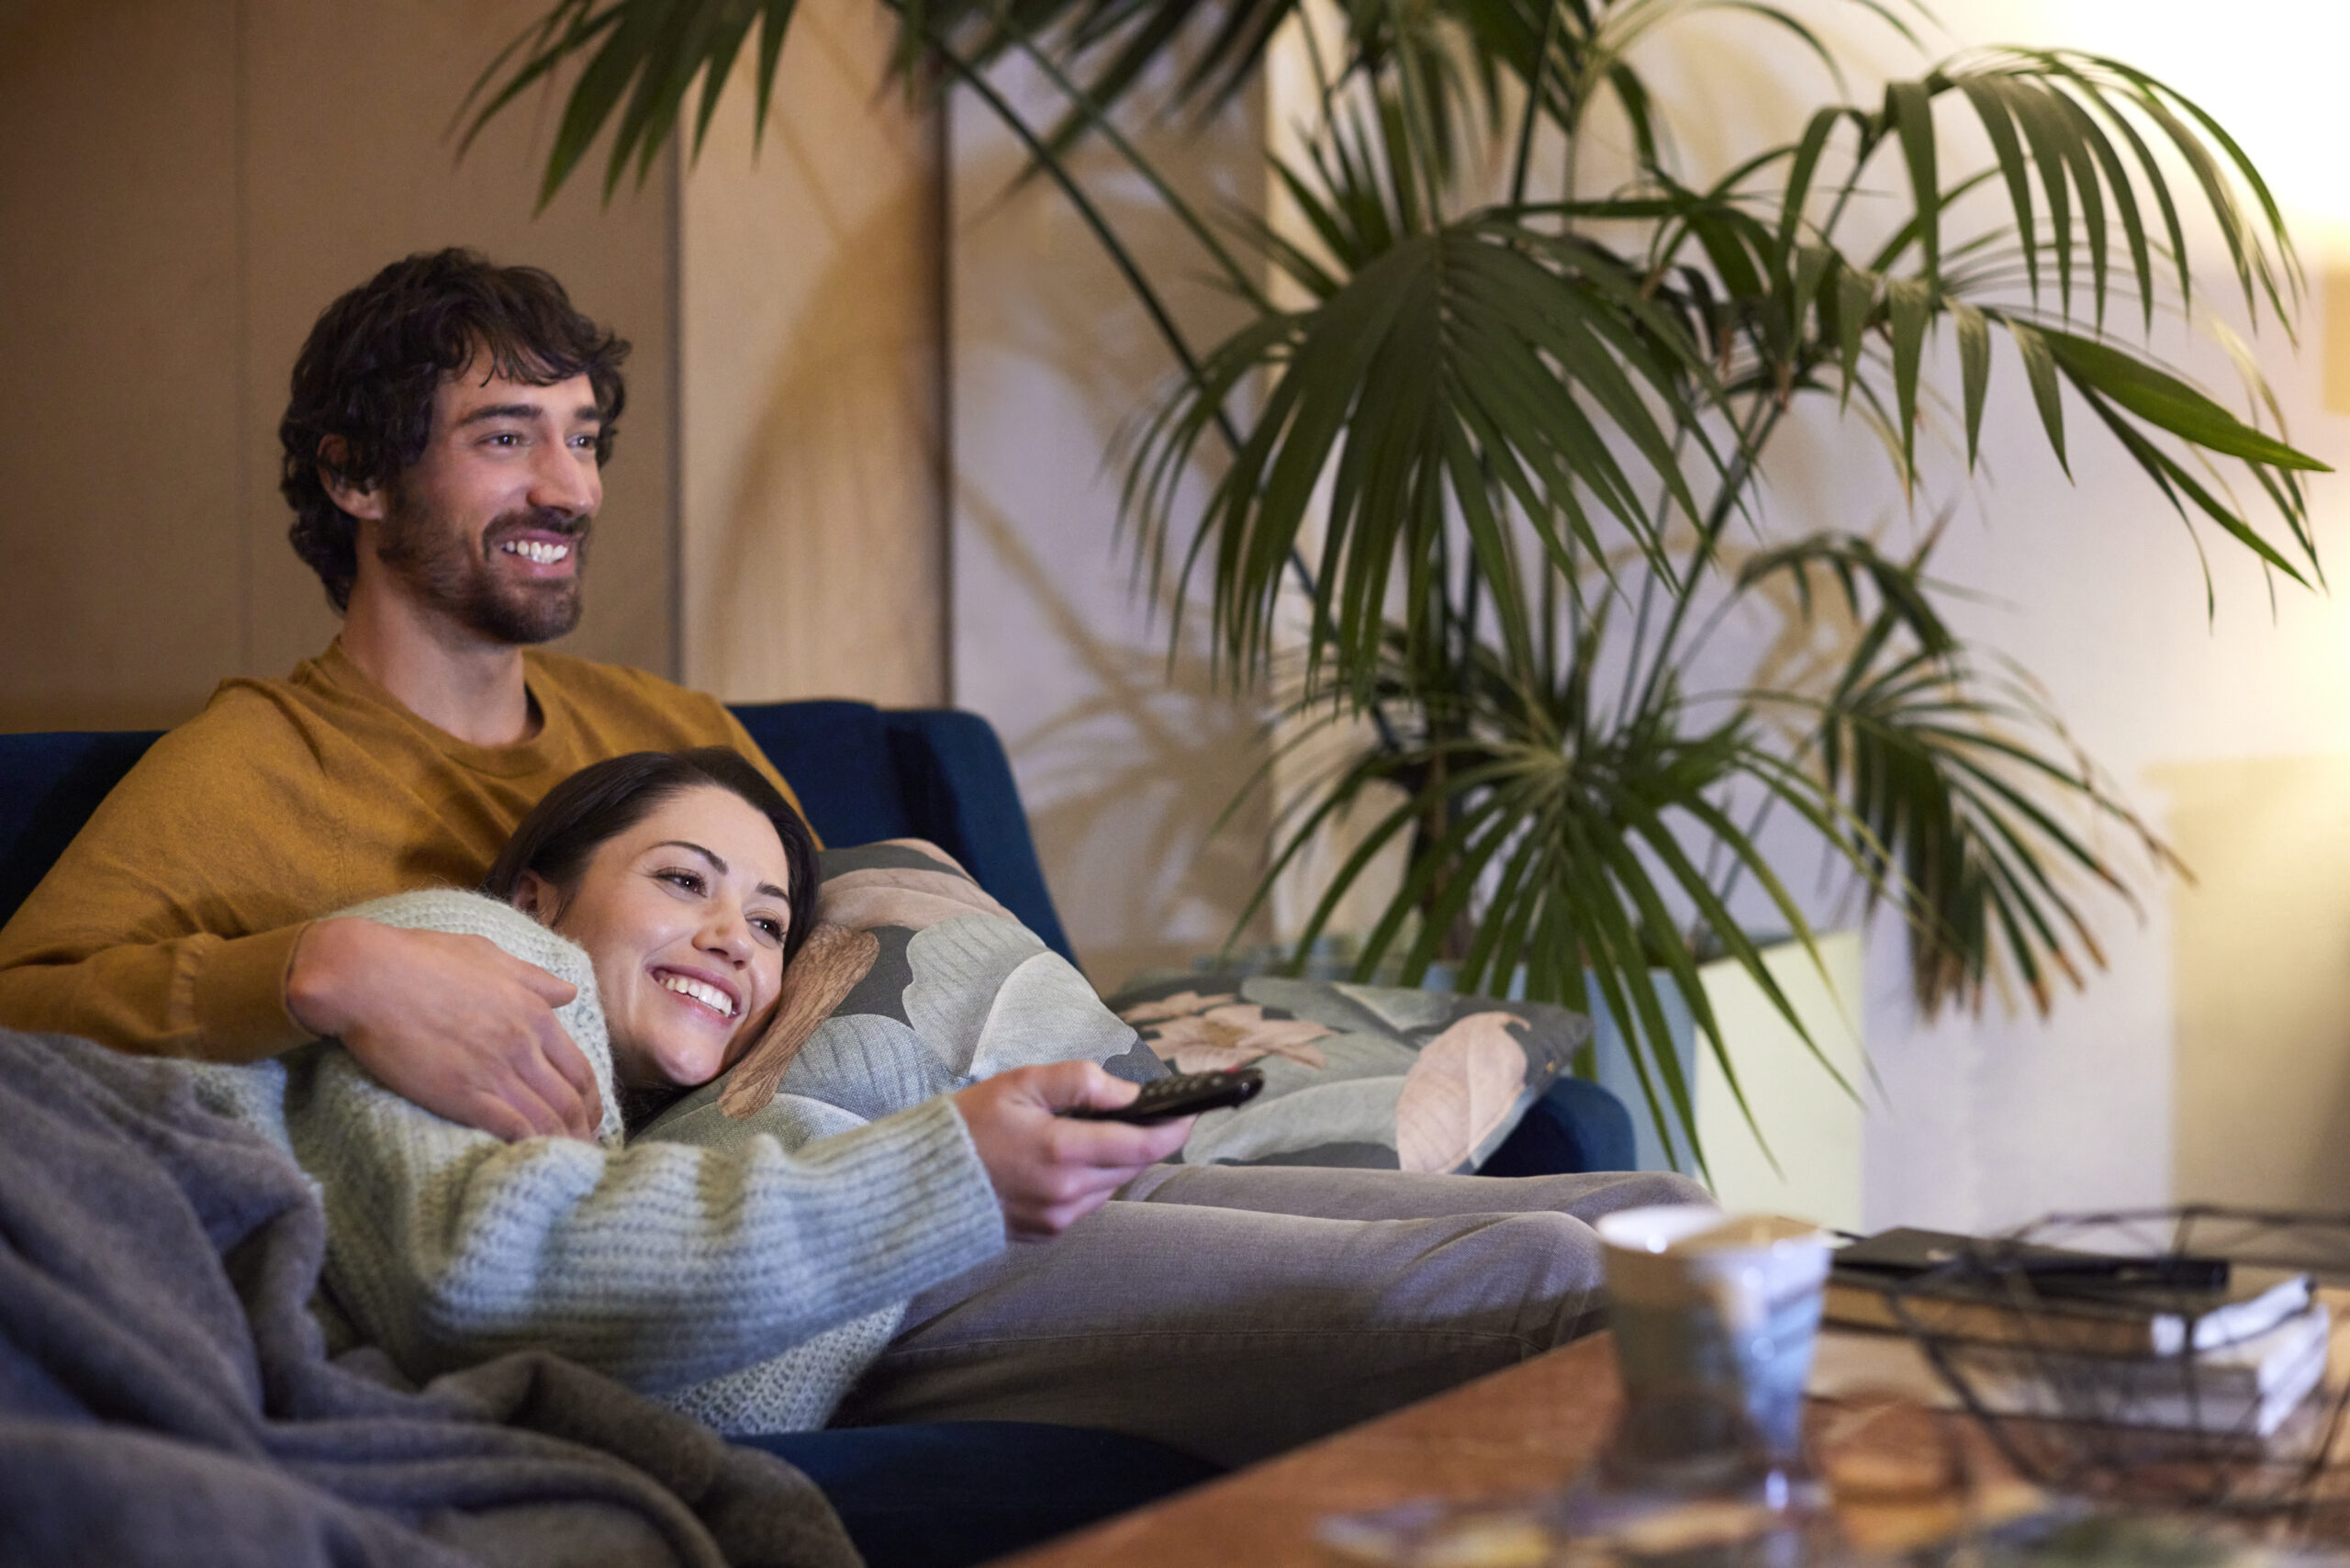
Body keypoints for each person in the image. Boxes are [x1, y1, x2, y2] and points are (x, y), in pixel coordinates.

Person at [0, 247, 1705, 1474]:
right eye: (507, 432)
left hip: (883, 1166)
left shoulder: (664, 721)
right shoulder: (245, 767)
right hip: (760, 1265)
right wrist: (318, 968)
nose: (570, 483)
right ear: (355, 473)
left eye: (587, 434)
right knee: (1555, 1277)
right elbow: (26, 1023)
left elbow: (852, 975)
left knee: (1658, 1216)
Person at [195, 745, 1185, 1439]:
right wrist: (923, 1174)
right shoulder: (483, 953)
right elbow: (479, 1282)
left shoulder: (664, 1143)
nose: (730, 938)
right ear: (539, 895)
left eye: (768, 924)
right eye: (681, 880)